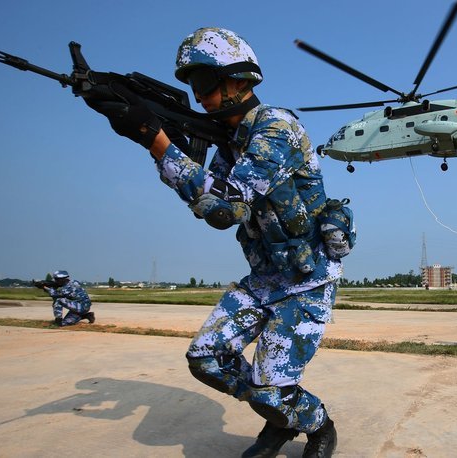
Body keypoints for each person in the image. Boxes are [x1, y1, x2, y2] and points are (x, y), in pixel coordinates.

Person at [83, 28, 347, 457]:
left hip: (307, 279)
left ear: (240, 80)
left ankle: (317, 425)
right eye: (193, 84)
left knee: (269, 387)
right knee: (207, 358)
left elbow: (229, 201)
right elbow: (222, 208)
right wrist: (159, 142)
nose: (198, 94)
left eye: (205, 82)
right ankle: (279, 412)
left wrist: (157, 141)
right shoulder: (229, 147)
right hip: (264, 279)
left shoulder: (277, 128)